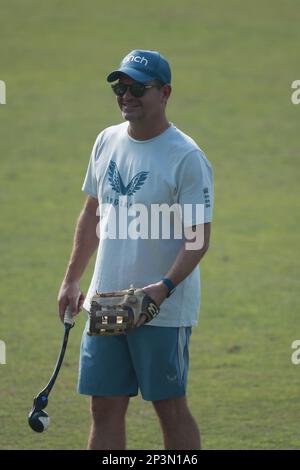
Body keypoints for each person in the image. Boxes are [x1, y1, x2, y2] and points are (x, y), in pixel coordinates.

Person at [57, 49, 214, 450]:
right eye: (120, 86)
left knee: (169, 406)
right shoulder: (106, 140)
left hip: (160, 309)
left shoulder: (186, 157)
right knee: (104, 406)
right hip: (105, 301)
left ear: (165, 93)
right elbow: (92, 212)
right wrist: (73, 278)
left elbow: (198, 238)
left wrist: (161, 289)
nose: (126, 95)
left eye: (137, 88)